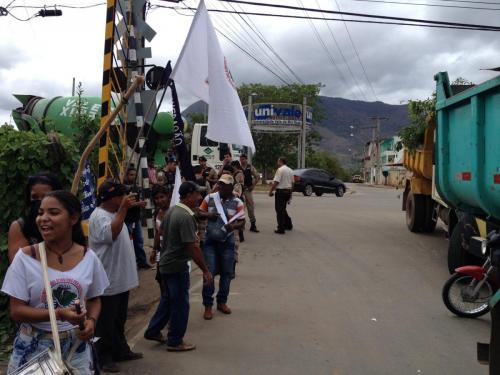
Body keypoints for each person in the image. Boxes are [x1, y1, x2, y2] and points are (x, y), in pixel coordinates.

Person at [2, 190, 109, 375]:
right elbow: (16, 311)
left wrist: (91, 321)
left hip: (77, 347)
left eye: (53, 212)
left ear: (73, 218)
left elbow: (94, 299)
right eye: (40, 212)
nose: (43, 218)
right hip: (34, 347)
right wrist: (59, 314)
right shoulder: (25, 258)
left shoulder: (88, 257)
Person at [88, 179, 144, 372]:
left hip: (120, 280)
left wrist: (129, 209)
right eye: (120, 196)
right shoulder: (99, 216)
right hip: (107, 280)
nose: (123, 199)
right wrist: (123, 210)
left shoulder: (113, 213)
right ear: (110, 198)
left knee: (119, 319)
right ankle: (103, 357)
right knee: (105, 322)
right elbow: (111, 234)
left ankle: (121, 350)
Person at [158, 181, 213, 351]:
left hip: (166, 264)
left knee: (168, 301)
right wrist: (205, 269)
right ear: (189, 195)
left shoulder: (173, 210)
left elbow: (161, 234)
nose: (199, 197)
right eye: (197, 194)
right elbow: (192, 246)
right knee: (180, 305)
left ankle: (152, 330)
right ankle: (175, 341)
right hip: (176, 266)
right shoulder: (185, 216)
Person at [199, 174, 245, 320]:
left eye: (224, 184)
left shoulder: (238, 202)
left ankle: (222, 302)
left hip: (227, 242)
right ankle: (207, 306)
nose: (221, 186)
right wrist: (208, 215)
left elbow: (242, 223)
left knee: (226, 274)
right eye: (220, 183)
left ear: (231, 186)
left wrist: (233, 226)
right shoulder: (210, 198)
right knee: (209, 274)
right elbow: (199, 212)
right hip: (210, 242)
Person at [8, 172, 63, 263]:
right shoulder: (21, 226)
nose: (40, 202)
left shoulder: (66, 223)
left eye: (45, 197)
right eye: (35, 197)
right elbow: (18, 266)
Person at [144, 185, 172, 343]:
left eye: (162, 197)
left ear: (168, 196)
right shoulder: (157, 213)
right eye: (157, 198)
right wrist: (154, 250)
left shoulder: (174, 212)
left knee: (172, 290)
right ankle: (166, 317)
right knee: (163, 287)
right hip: (162, 255)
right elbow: (157, 233)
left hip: (173, 255)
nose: (160, 200)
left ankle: (170, 320)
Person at [124, 167, 150, 269]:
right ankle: (130, 264)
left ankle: (142, 262)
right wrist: (139, 203)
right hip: (127, 219)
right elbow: (126, 205)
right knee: (128, 243)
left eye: (135, 175)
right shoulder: (123, 188)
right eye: (131, 175)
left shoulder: (137, 187)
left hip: (136, 218)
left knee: (139, 241)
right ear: (126, 176)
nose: (133, 177)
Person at [269, 157, 294, 234]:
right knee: (282, 209)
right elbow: (292, 183)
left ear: (280, 161)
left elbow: (276, 182)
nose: (277, 163)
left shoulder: (280, 170)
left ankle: (281, 228)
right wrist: (291, 194)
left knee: (279, 210)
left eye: (278, 161)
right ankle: (288, 224)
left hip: (281, 192)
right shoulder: (290, 170)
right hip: (288, 191)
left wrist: (270, 191)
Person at [239, 154, 261, 233]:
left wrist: (253, 186)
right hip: (239, 190)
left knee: (250, 207)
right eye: (241, 159)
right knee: (240, 208)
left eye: (243, 159)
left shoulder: (250, 167)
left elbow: (257, 176)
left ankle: (253, 225)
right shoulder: (238, 167)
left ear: (246, 159)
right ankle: (241, 225)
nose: (242, 161)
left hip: (247, 190)